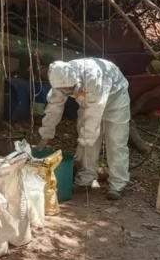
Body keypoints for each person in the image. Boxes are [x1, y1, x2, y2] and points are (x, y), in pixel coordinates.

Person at [37, 58, 130, 200]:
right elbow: (53, 109)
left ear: (75, 80)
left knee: (116, 142)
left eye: (69, 89)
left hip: (115, 100)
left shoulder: (93, 77)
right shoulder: (59, 79)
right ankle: (86, 178)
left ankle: (118, 184)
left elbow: (94, 114)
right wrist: (46, 135)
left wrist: (84, 142)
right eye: (63, 90)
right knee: (86, 137)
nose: (66, 92)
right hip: (90, 103)